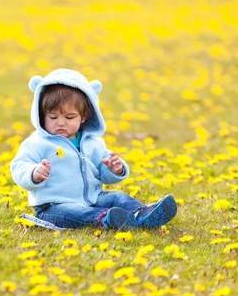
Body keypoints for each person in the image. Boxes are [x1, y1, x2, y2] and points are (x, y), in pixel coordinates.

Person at [10, 68, 177, 230]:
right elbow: (19, 166)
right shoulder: (37, 143)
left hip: (94, 198)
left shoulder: (93, 143)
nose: (60, 123)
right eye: (52, 117)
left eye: (69, 117)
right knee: (79, 213)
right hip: (54, 206)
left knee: (117, 196)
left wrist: (114, 169)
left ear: (83, 116)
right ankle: (107, 218)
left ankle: (142, 214)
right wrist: (33, 174)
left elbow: (103, 173)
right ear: (41, 115)